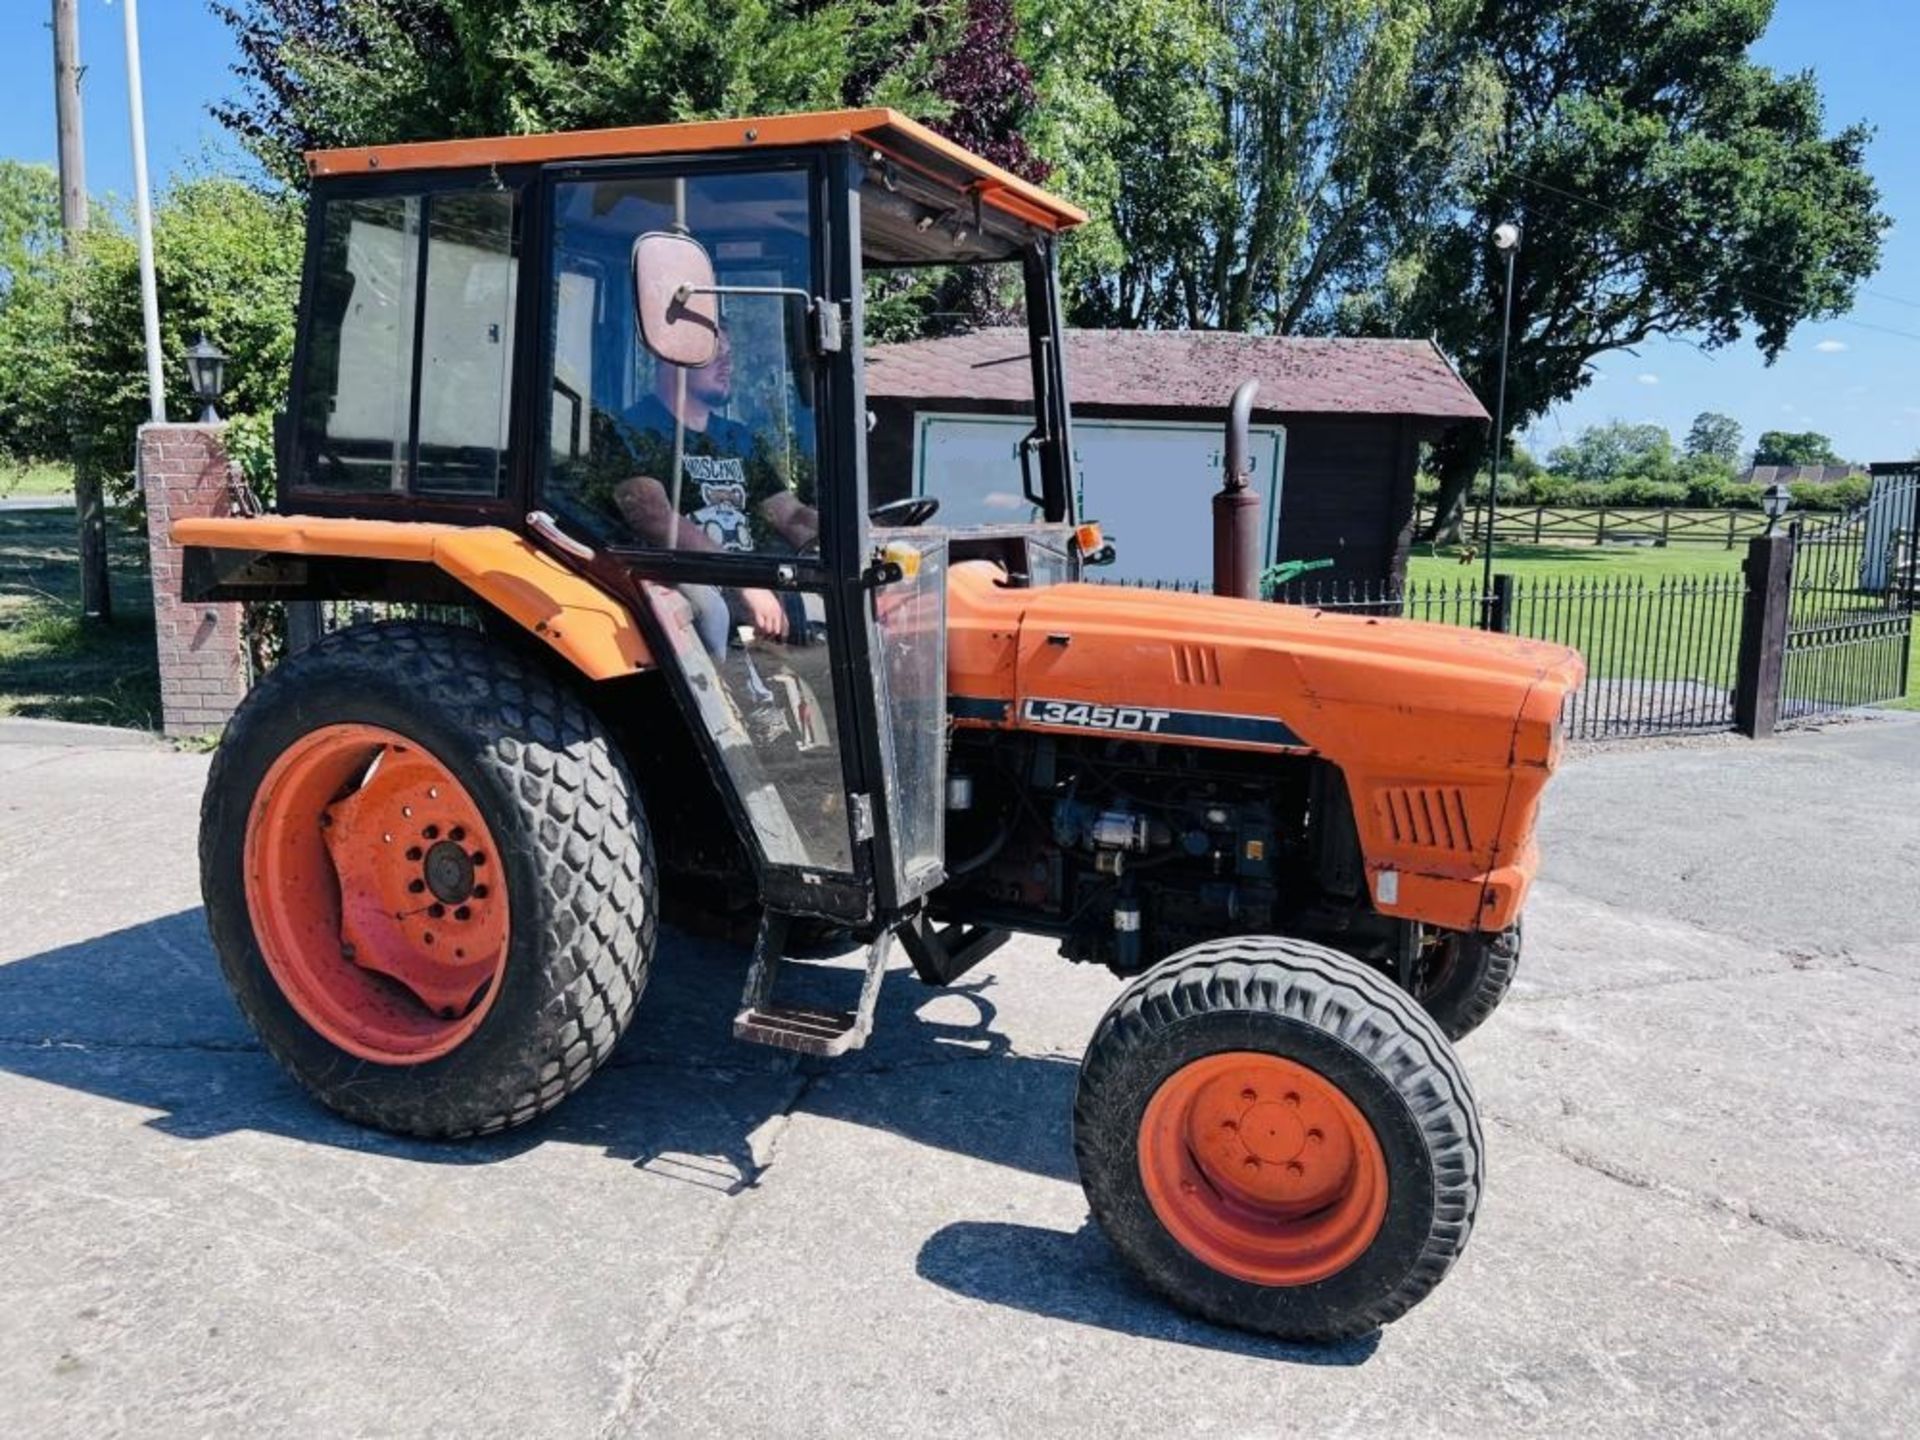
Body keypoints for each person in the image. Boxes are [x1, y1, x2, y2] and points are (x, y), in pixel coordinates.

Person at [604, 325, 818, 655]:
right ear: (674, 359)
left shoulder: (737, 439)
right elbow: (653, 516)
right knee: (708, 609)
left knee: (817, 602)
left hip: (743, 583)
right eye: (714, 354)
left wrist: (853, 539)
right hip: (688, 579)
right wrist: (740, 579)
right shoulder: (633, 429)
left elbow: (791, 516)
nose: (727, 364)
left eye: (729, 355)